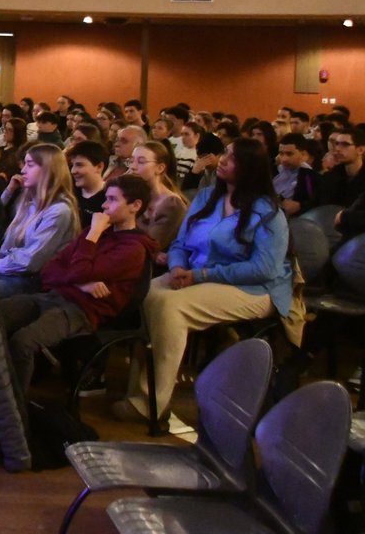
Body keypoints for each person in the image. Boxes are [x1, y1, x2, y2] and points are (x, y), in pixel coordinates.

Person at [115, 138, 293, 424]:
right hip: (196, 275)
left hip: (252, 288)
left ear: (249, 168)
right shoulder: (207, 197)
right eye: (225, 154)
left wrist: (201, 275)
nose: (222, 160)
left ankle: (151, 403)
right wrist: (176, 267)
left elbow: (264, 268)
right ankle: (136, 390)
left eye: (231, 158)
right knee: (147, 295)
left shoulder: (268, 211)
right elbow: (181, 243)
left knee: (171, 307)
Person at [0, 174, 156, 395]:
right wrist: (82, 285)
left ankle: (13, 408)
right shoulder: (99, 233)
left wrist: (93, 234)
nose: (104, 205)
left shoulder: (133, 249)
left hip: (82, 311)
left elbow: (79, 271)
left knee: (22, 342)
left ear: (135, 206)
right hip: (57, 295)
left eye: (112, 199)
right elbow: (50, 269)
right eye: (106, 198)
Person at [0, 143, 79, 298]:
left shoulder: (59, 211)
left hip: (35, 282)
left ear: (48, 170)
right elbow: (11, 245)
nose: (23, 170)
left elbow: (31, 261)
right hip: (12, 272)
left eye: (30, 165)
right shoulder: (29, 201)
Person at [131, 140, 189, 268]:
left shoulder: (172, 204)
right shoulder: (134, 193)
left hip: (152, 268)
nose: (133, 166)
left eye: (141, 161)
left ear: (160, 168)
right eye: (132, 160)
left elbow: (149, 246)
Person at [322, 128, 365, 208]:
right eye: (337, 144)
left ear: (360, 150)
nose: (338, 149)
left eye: (345, 145)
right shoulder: (331, 176)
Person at [274, 133, 321, 217]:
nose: (284, 159)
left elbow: (316, 204)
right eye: (281, 154)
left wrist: (300, 206)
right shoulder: (274, 172)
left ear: (303, 155)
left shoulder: (311, 177)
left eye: (289, 154)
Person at [67, 140, 109, 228]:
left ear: (99, 167)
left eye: (79, 165)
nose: (73, 171)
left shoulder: (109, 199)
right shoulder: (68, 192)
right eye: (72, 165)